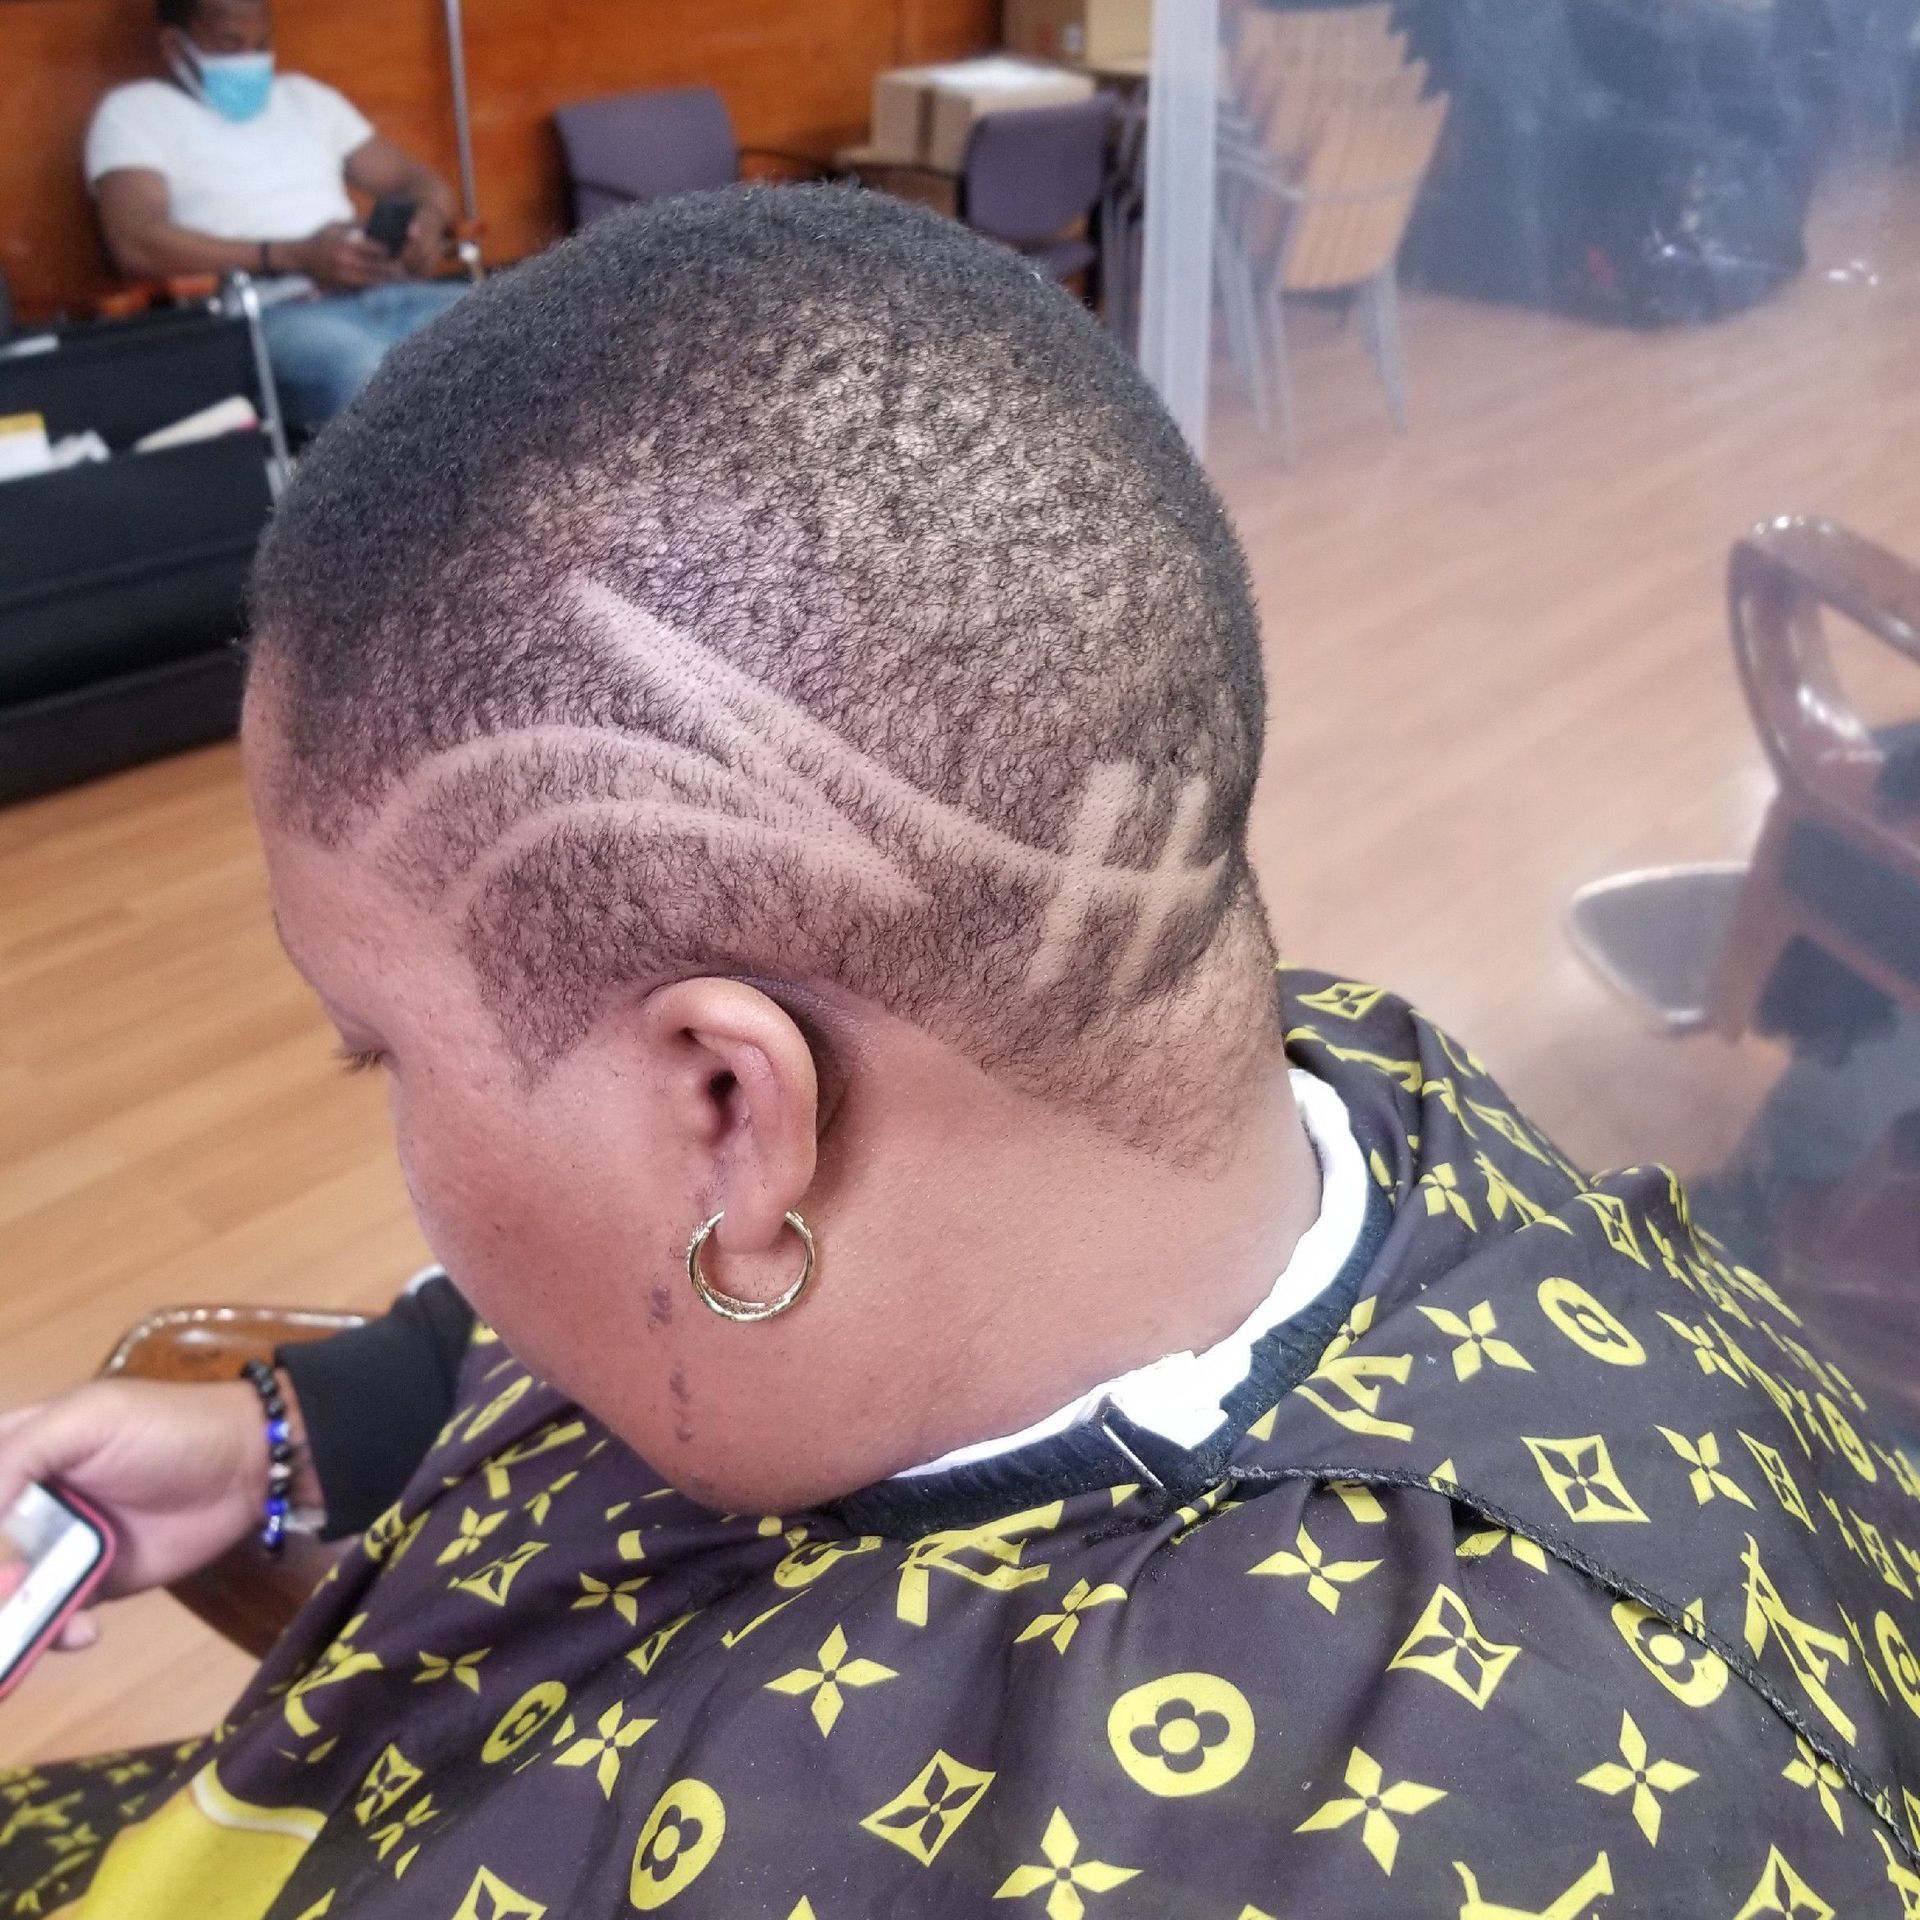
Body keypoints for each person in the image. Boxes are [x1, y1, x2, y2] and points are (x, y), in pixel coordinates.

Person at [4, 186, 1920, 1920]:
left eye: (381, 1060)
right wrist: (281, 1438)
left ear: (733, 1115)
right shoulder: (1224, 1073)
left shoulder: (1523, 1836)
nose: (399, 1125)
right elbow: (569, 1336)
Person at [84, 0, 467, 434]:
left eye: (262, 44)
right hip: (269, 316)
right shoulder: (137, 113)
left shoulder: (307, 99)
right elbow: (136, 240)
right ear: (176, 46)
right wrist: (294, 256)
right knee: (376, 373)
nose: (251, 60)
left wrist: (427, 224)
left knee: (510, 336)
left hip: (385, 290)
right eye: (231, 45)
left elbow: (420, 182)